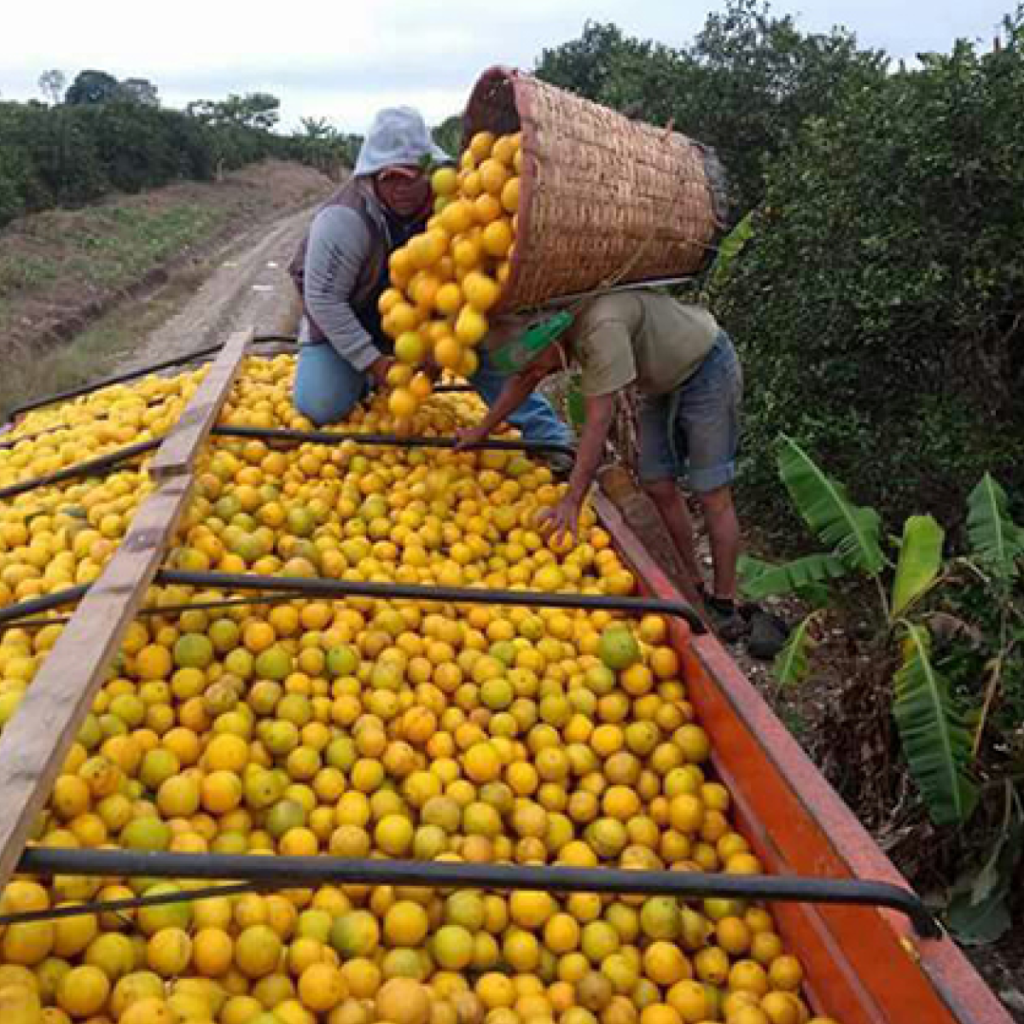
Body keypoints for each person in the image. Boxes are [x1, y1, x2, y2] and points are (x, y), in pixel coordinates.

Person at [456, 290, 746, 638]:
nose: (538, 372)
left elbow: (598, 421)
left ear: (545, 339)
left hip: (704, 366)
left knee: (711, 492)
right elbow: (525, 377)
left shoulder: (600, 331)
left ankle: (724, 603)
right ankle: (692, 585)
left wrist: (572, 500)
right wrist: (481, 431)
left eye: (536, 364)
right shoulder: (551, 331)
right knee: (657, 483)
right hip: (660, 382)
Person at [289, 106, 571, 455]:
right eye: (390, 178)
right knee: (320, 405)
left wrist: (444, 339)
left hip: (424, 322)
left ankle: (550, 437)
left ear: (429, 170)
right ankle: (360, 377)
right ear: (373, 177)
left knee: (481, 342)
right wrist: (376, 364)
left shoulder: (451, 204)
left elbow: (471, 277)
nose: (402, 189)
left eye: (412, 176)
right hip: (351, 319)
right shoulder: (344, 220)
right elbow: (324, 301)